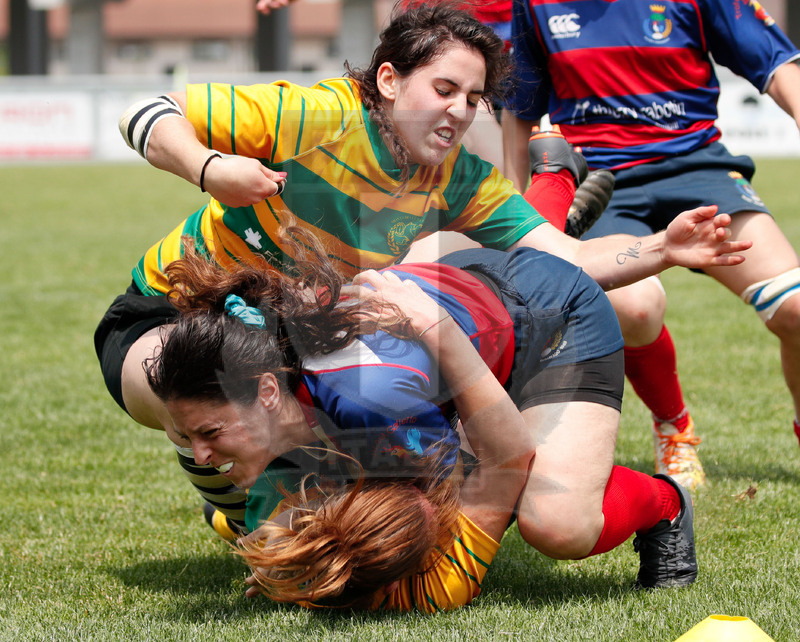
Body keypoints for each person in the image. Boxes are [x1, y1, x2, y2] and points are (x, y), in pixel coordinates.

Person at [96, 4, 748, 532]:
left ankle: (259, 509)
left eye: (473, 98)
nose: (460, 110)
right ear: (388, 81)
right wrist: (211, 168)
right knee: (195, 382)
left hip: (294, 335)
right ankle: (242, 504)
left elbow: (569, 260)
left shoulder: (458, 179)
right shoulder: (316, 116)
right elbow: (144, 112)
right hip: (169, 310)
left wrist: (665, 248)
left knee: (377, 437)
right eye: (443, 89)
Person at [142, 226, 696, 611]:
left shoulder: (372, 401)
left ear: (267, 393)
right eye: (187, 436)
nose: (200, 456)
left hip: (546, 320)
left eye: (209, 433)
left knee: (555, 522)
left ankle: (664, 504)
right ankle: (555, 184)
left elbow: (499, 462)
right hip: (458, 292)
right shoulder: (274, 380)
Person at [502, 0, 800, 491]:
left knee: (794, 309)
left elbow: (775, 63)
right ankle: (674, 426)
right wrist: (526, 210)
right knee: (635, 308)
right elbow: (522, 109)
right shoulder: (535, 4)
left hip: (697, 167)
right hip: (600, 181)